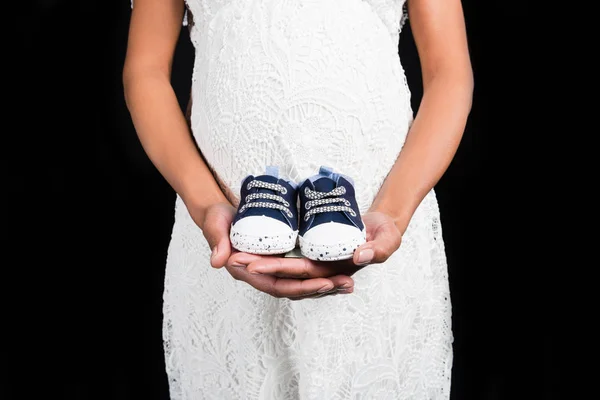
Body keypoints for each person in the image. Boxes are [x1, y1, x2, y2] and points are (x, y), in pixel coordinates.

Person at [124, 0, 473, 398]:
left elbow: (449, 72)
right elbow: (146, 70)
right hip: (224, 228)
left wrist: (394, 210)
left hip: (381, 219)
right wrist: (204, 204)